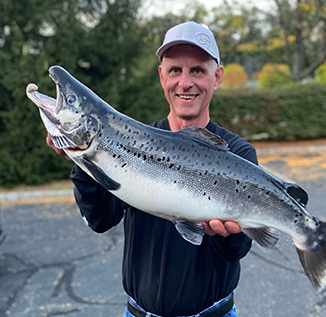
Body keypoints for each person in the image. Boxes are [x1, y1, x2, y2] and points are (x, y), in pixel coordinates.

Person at [47, 21, 258, 317]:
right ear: (162, 76)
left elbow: (236, 250)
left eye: (197, 70)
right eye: (175, 70)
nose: (185, 82)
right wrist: (83, 160)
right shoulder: (132, 143)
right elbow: (100, 219)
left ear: (217, 77)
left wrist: (229, 234)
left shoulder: (237, 153)